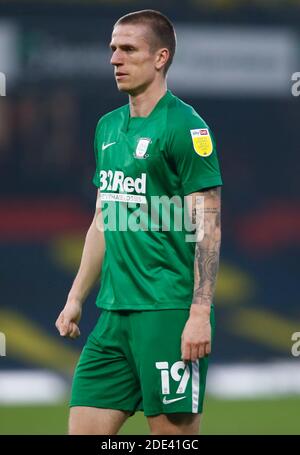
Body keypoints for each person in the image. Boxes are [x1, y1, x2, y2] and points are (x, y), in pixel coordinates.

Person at [55, 9, 222, 435]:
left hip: (166, 312)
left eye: (128, 49)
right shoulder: (107, 127)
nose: (115, 59)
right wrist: (77, 297)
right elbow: (101, 219)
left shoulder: (186, 128)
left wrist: (200, 313)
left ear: (161, 57)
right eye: (113, 49)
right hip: (111, 315)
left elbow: (208, 226)